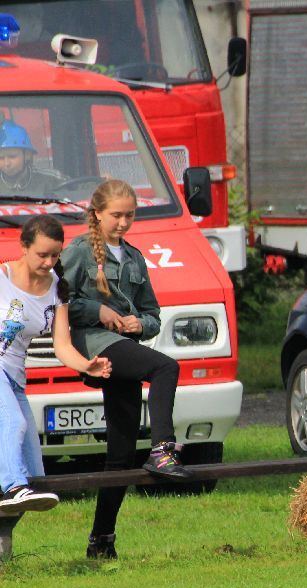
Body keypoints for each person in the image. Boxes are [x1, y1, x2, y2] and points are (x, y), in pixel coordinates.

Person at [62, 179, 190, 560]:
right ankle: (163, 450)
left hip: (123, 344)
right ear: (97, 213)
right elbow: (60, 300)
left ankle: (101, 540)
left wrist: (139, 324)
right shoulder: (78, 251)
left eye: (129, 215)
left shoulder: (134, 257)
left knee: (120, 450)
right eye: (115, 215)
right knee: (166, 367)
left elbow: (152, 314)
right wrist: (96, 310)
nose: (122, 222)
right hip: (94, 343)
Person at [0, 215, 111, 561]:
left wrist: (86, 364)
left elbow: (61, 346)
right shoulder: (2, 277)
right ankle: (12, 486)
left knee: (35, 477)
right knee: (14, 428)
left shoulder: (55, 289)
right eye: (42, 255)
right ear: (23, 247)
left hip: (14, 377)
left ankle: (4, 537)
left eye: (55, 256)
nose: (49, 263)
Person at [0, 120, 61, 195]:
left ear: (27, 155)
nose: (7, 164)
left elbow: (76, 195)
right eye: (1, 158)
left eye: (12, 157)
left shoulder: (51, 178)